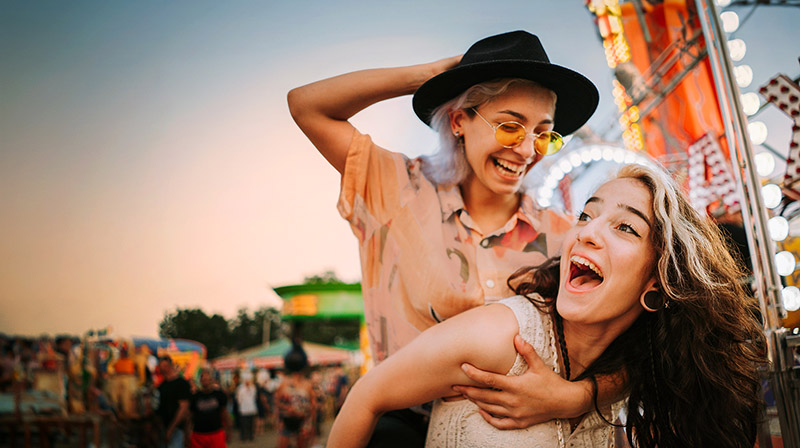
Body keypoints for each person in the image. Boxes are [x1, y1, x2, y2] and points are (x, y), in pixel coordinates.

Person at [288, 30, 616, 444]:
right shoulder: (398, 190)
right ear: (460, 120)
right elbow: (307, 105)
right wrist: (431, 76)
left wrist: (574, 397)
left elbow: (633, 348)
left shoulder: (564, 235)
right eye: (511, 126)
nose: (527, 149)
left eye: (542, 133)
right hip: (402, 427)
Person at [327, 164, 766, 447]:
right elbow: (366, 395)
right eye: (586, 216)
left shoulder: (635, 366)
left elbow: (656, 364)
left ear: (658, 282)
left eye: (625, 228)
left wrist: (580, 396)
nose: (587, 231)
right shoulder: (500, 337)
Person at [275, 343, 317, 448]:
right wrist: (287, 408)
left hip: (303, 421)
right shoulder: (284, 383)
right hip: (287, 421)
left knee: (301, 445)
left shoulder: (307, 384)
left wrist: (312, 424)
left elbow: (313, 405)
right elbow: (276, 401)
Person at [156, 356, 191, 448]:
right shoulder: (161, 386)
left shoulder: (181, 383)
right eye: (161, 366)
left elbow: (183, 408)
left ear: (169, 366)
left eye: (164, 365)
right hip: (163, 428)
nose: (162, 368)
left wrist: (171, 428)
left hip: (177, 428)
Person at [189, 370, 229, 448]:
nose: (206, 383)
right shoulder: (195, 397)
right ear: (200, 381)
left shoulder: (219, 395)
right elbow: (190, 416)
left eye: (208, 380)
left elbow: (224, 412)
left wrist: (228, 429)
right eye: (204, 380)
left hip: (216, 434)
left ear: (212, 381)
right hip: (199, 435)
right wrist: (188, 432)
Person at [235, 371, 258, 441]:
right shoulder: (240, 388)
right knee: (243, 424)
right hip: (243, 409)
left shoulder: (253, 387)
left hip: (251, 408)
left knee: (251, 424)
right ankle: (243, 437)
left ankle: (251, 436)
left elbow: (254, 396)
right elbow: (238, 399)